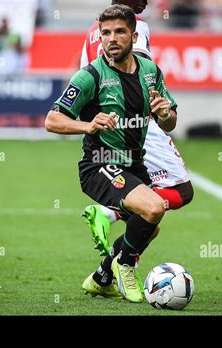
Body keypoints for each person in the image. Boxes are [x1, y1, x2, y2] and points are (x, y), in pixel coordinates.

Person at [45, 4, 179, 302]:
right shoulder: (90, 76)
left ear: (135, 35)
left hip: (134, 165)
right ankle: (125, 265)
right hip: (99, 164)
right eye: (105, 33)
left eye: (119, 32)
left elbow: (170, 121)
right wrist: (88, 125)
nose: (111, 39)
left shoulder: (150, 72)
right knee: (154, 208)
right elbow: (52, 120)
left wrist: (165, 112)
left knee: (147, 228)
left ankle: (102, 277)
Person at [80, 0, 193, 268]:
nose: (146, 1)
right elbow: (135, 69)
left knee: (147, 222)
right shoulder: (135, 27)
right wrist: (159, 107)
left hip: (107, 131)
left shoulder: (93, 32)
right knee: (180, 191)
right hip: (136, 125)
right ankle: (109, 213)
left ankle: (104, 275)